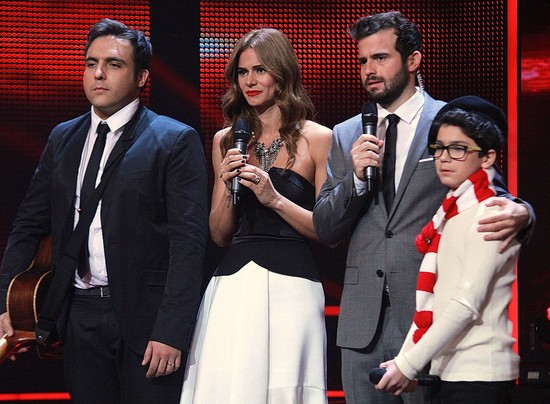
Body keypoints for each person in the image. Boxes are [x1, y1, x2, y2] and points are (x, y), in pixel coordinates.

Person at [312, 11, 534, 404]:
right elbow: (326, 226)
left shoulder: (448, 122)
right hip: (362, 324)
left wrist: (523, 212)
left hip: (427, 313)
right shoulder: (347, 134)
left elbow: (490, 188)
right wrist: (356, 179)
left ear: (413, 60)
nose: (369, 70)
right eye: (363, 60)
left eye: (381, 57)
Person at [0, 19, 208, 403]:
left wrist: (171, 331)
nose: (98, 73)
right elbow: (28, 226)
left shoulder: (173, 139)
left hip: (146, 322)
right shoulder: (63, 137)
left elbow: (188, 243)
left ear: (141, 77)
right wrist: (6, 305)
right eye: (91, 63)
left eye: (113, 64)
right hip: (78, 316)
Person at [180, 28, 333, 403]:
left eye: (260, 70)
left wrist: (274, 199)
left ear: (281, 74)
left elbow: (329, 230)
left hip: (292, 287)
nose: (249, 81)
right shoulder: (226, 140)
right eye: (243, 72)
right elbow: (219, 234)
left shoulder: (319, 138)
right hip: (233, 284)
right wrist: (228, 182)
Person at [376, 96, 521, 404]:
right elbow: (431, 305)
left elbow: (466, 304)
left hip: (481, 376)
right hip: (448, 372)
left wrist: (408, 365)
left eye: (458, 149)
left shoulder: (491, 212)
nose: (444, 158)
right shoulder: (450, 213)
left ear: (487, 157)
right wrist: (406, 362)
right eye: (439, 148)